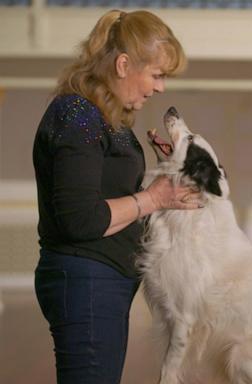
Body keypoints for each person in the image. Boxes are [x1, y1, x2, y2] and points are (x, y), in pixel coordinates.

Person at [33, 9, 200, 384]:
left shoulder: (107, 119)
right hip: (85, 281)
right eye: (157, 75)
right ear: (124, 65)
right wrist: (154, 198)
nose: (160, 88)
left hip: (101, 282)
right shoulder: (78, 115)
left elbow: (109, 192)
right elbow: (81, 219)